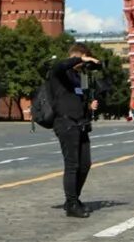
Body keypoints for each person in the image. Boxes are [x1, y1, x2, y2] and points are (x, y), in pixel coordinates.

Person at [43, 43, 101, 218]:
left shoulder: (78, 77)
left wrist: (89, 106)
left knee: (85, 164)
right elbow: (59, 65)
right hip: (66, 124)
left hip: (80, 123)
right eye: (82, 61)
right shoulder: (58, 73)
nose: (83, 65)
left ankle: (72, 199)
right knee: (72, 165)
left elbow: (76, 100)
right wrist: (80, 59)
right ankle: (72, 203)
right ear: (76, 57)